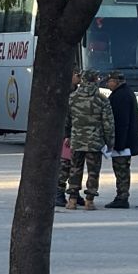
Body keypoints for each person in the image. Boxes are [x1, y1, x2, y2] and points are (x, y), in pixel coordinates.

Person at [65, 68, 115, 210]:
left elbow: (67, 120)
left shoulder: (72, 97)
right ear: (95, 80)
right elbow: (108, 123)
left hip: (76, 140)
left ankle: (72, 200)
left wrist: (67, 136)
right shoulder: (101, 99)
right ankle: (89, 201)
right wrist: (110, 141)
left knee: (75, 169)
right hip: (95, 141)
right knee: (93, 171)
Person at [104, 70, 138, 209]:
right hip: (125, 141)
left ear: (116, 82)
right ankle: (121, 195)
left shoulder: (121, 96)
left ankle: (122, 197)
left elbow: (121, 122)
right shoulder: (124, 93)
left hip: (123, 142)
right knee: (121, 170)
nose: (107, 84)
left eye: (109, 81)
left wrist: (119, 144)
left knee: (121, 170)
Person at [57, 70, 81, 207]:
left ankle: (74, 193)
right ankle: (59, 193)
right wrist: (67, 135)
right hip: (67, 136)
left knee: (75, 166)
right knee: (64, 166)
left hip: (76, 135)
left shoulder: (76, 91)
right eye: (76, 74)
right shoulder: (65, 92)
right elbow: (66, 117)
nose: (79, 77)